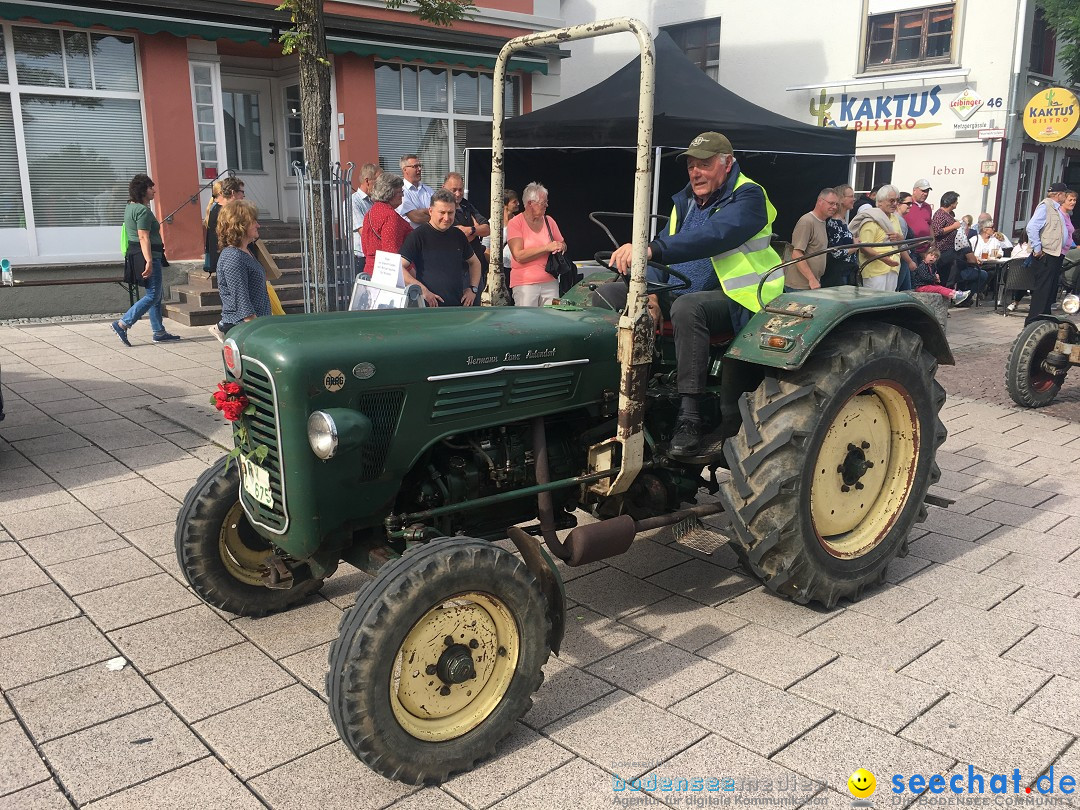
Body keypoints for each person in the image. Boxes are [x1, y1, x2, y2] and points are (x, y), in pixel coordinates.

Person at [608, 131, 784, 455]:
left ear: (727, 163)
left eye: (703, 164)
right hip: (680, 291)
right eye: (691, 165)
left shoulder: (748, 197)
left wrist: (649, 249)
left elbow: (715, 235)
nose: (695, 172)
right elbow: (662, 254)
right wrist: (651, 294)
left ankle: (690, 416)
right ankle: (611, 393)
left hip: (738, 296)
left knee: (689, 308)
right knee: (604, 295)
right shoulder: (684, 203)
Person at [112, 174, 181, 346]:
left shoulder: (130, 207)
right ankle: (123, 323)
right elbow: (143, 237)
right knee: (153, 295)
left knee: (156, 296)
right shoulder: (142, 211)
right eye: (151, 188)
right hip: (148, 256)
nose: (154, 191)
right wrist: (149, 261)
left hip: (137, 254)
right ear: (143, 190)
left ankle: (159, 332)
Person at [400, 188, 482, 307]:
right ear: (430, 211)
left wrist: (473, 289)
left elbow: (475, 263)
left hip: (457, 307)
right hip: (428, 308)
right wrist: (423, 290)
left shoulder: (458, 235)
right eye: (442, 212)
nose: (446, 218)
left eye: (450, 213)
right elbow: (400, 268)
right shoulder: (417, 236)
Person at [215, 199, 271, 335]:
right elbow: (242, 302)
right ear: (240, 225)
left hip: (255, 324)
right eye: (254, 221)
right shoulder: (233, 257)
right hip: (243, 328)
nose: (258, 225)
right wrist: (259, 331)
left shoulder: (245, 251)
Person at [506, 182, 567, 307]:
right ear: (530, 203)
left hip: (551, 281)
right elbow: (518, 255)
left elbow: (562, 242)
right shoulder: (516, 223)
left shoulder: (549, 221)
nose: (546, 205)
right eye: (543, 203)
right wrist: (546, 248)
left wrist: (561, 246)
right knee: (526, 322)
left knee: (552, 320)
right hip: (525, 284)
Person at [1024, 182, 1072, 325]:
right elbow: (1032, 227)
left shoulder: (1056, 208)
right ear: (1058, 195)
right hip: (1046, 254)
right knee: (1042, 290)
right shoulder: (1046, 206)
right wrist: (1037, 248)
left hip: (1055, 254)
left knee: (1049, 290)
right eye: (1064, 193)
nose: (1066, 196)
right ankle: (1033, 322)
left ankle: (1044, 318)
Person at [443, 172, 490, 303]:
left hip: (475, 269)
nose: (458, 194)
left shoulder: (466, 205)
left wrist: (472, 229)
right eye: (454, 190)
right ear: (443, 188)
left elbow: (487, 228)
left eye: (460, 189)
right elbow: (460, 237)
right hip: (459, 269)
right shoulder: (444, 211)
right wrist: (475, 230)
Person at [850, 185, 904, 291]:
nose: (895, 204)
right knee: (874, 304)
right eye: (891, 200)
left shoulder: (895, 218)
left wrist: (899, 238)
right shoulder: (870, 220)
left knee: (889, 304)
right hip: (874, 270)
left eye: (897, 200)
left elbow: (901, 239)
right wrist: (885, 259)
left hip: (893, 268)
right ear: (880, 202)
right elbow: (864, 247)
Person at [785, 188, 838, 291]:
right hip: (798, 286)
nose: (834, 207)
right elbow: (796, 253)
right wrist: (811, 279)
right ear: (819, 201)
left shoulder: (822, 222)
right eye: (831, 203)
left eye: (836, 204)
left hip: (810, 285)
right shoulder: (807, 221)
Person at [361, 172, 413, 271]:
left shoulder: (370, 212)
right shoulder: (390, 216)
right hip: (387, 275)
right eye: (400, 192)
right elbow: (392, 254)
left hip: (370, 271)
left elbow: (365, 247)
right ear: (390, 193)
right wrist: (413, 273)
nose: (402, 195)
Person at [204, 176, 244, 276]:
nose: (244, 196)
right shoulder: (226, 212)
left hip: (224, 260)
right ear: (232, 193)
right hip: (231, 262)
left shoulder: (218, 209)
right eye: (242, 192)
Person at [822, 184, 859, 287]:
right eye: (851, 196)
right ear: (841, 199)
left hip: (847, 271)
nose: (854, 199)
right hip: (839, 274)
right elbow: (836, 252)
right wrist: (855, 246)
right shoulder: (834, 223)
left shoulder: (842, 221)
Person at [351, 163, 380, 273]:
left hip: (376, 256)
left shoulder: (374, 201)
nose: (381, 185)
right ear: (368, 181)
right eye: (378, 181)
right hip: (362, 258)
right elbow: (365, 233)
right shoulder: (353, 202)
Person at [930, 191, 964, 286]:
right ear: (951, 202)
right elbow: (937, 231)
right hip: (942, 251)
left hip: (949, 251)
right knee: (943, 277)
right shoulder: (940, 214)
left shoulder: (948, 214)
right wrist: (953, 226)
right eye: (956, 201)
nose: (957, 203)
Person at [397, 154, 434, 228]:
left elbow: (440, 210)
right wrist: (435, 216)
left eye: (420, 166)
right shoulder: (400, 191)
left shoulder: (429, 190)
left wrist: (425, 212)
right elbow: (416, 217)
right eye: (415, 166)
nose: (419, 169)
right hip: (412, 236)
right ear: (405, 170)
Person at [904, 179, 933, 259]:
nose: (925, 194)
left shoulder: (927, 207)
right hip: (909, 250)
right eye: (923, 191)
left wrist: (933, 242)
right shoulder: (906, 205)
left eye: (927, 191)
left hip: (925, 251)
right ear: (914, 190)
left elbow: (930, 225)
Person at [895, 192, 916, 290]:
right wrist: (910, 261)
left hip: (903, 258)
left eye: (911, 204)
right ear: (899, 204)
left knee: (906, 288)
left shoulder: (898, 218)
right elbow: (900, 245)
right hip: (902, 259)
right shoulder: (899, 220)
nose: (910, 206)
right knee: (900, 288)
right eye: (908, 203)